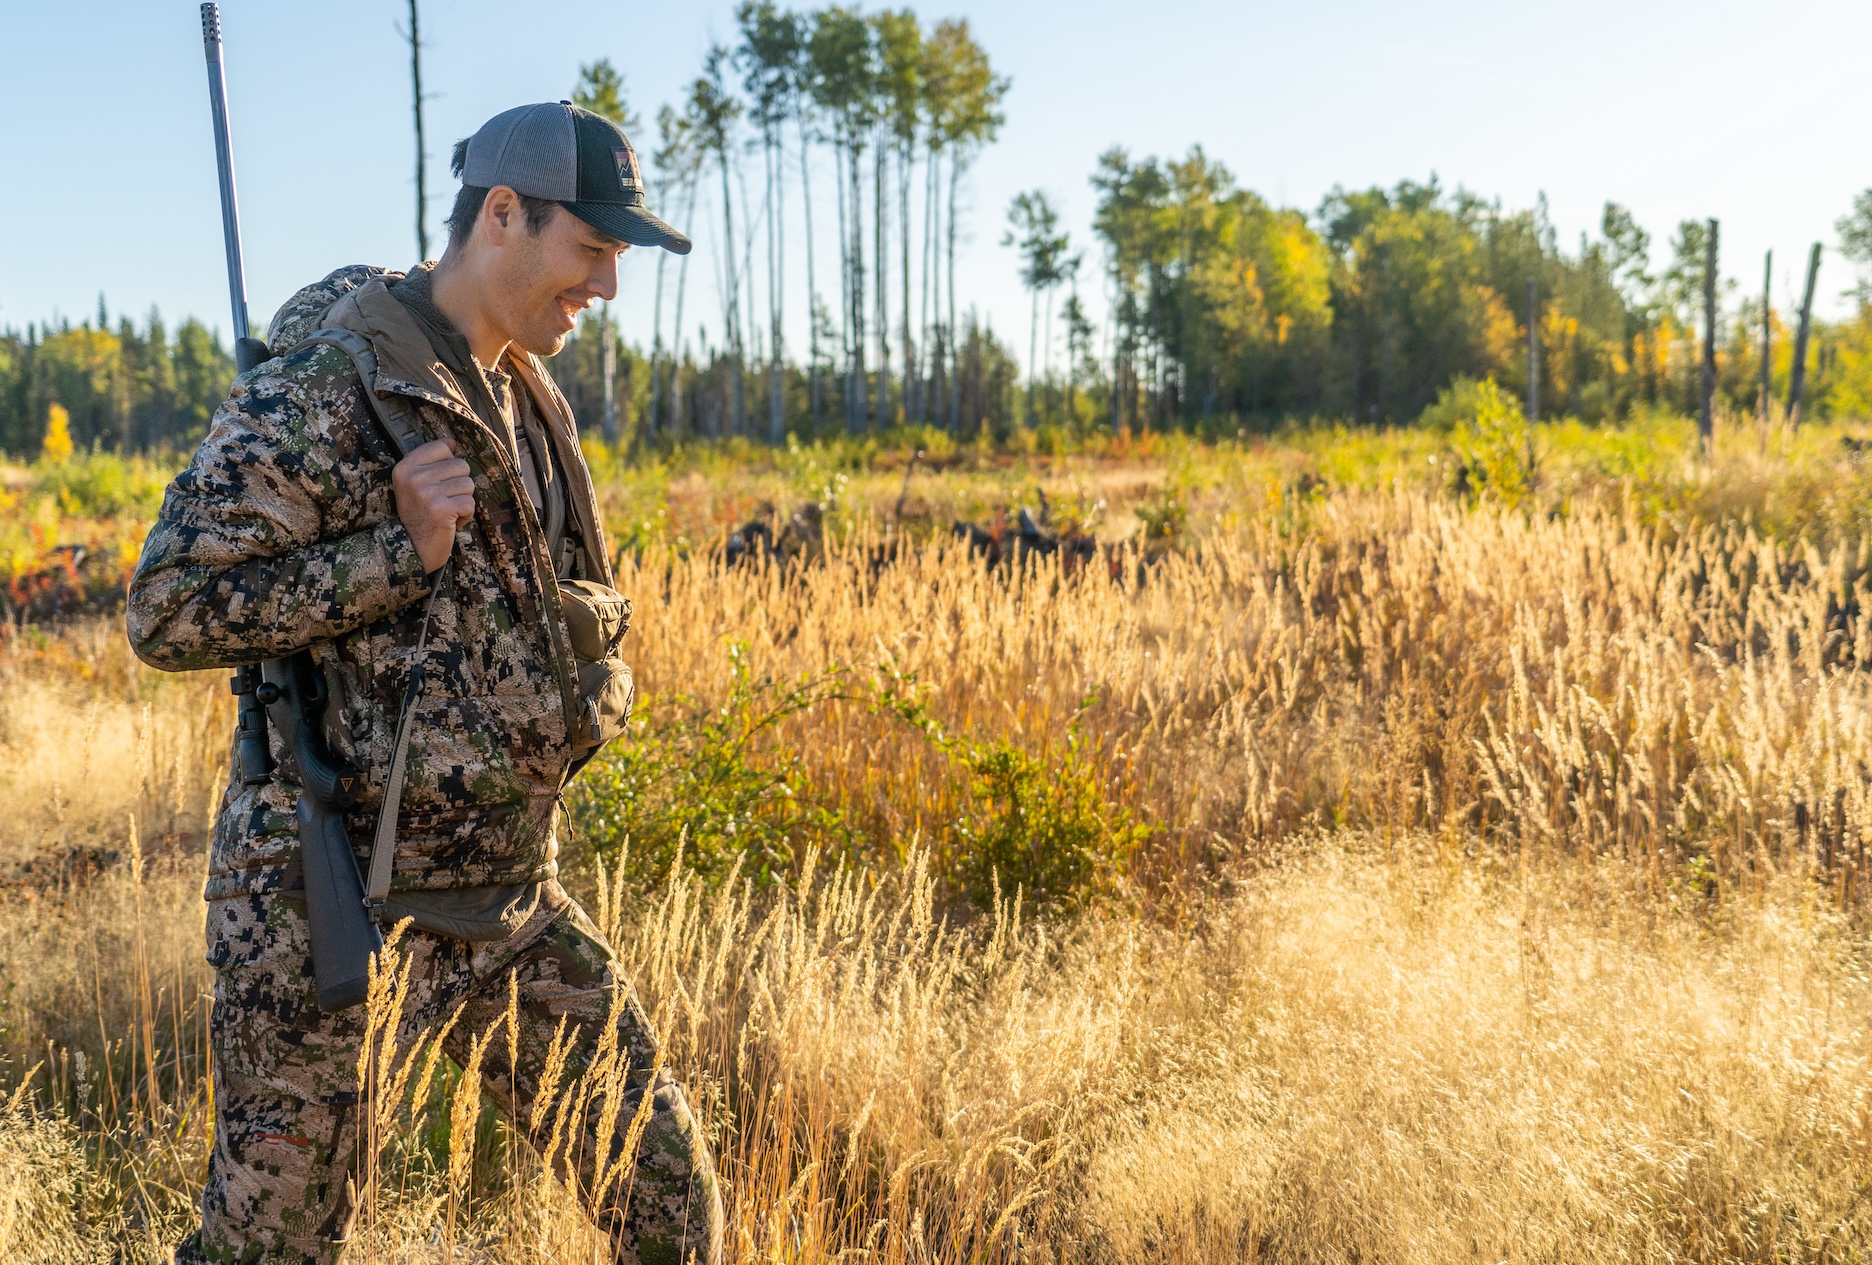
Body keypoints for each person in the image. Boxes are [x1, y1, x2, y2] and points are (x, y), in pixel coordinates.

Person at [127, 101, 720, 1265]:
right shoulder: (329, 385)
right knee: (269, 1250)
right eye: (592, 248)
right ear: (503, 214)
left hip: (495, 893)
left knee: (669, 1207)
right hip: (323, 892)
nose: (606, 282)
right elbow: (168, 605)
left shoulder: (525, 399)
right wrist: (395, 551)